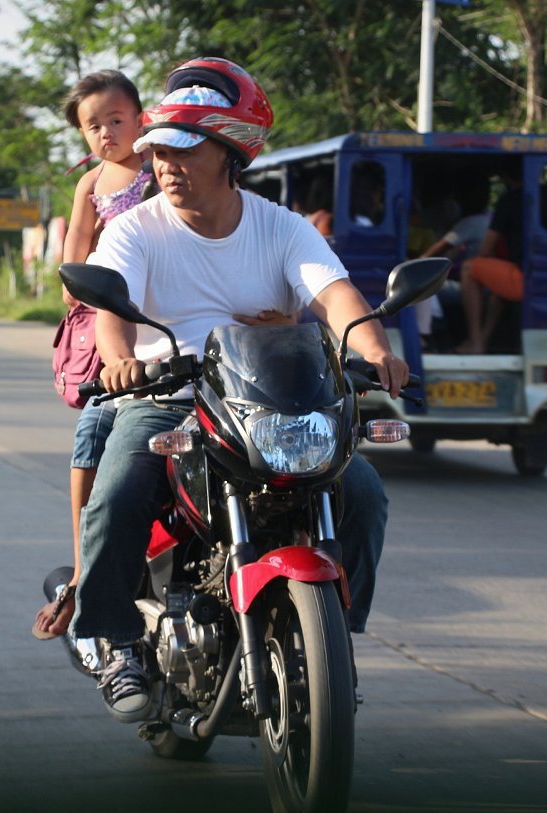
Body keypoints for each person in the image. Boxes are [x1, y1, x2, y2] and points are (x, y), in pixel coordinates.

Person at [70, 57, 409, 723]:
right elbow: (109, 306)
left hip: (272, 401)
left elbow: (333, 294)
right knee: (118, 486)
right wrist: (117, 359)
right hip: (170, 394)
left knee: (363, 489)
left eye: (184, 151)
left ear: (229, 155)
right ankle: (114, 637)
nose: (166, 165)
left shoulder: (279, 226)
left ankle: (335, 636)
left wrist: (374, 348)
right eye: (158, 151)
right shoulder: (136, 228)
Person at [32, 70, 152, 640]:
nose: (106, 134)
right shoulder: (91, 186)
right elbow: (69, 270)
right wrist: (101, 280)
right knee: (91, 437)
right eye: (92, 126)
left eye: (115, 120)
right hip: (115, 328)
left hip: (176, 320)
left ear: (140, 116)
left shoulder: (166, 167)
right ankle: (84, 564)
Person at [455, 160, 547, 353]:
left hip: (525, 279)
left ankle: (475, 341)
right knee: (497, 292)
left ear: (507, 178)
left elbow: (485, 250)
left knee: (469, 267)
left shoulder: (510, 200)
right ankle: (484, 340)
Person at [414, 172, 492, 343]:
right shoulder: (489, 218)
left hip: (473, 289)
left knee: (420, 287)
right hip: (485, 286)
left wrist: (411, 264)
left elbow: (435, 252)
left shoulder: (471, 222)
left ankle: (424, 338)